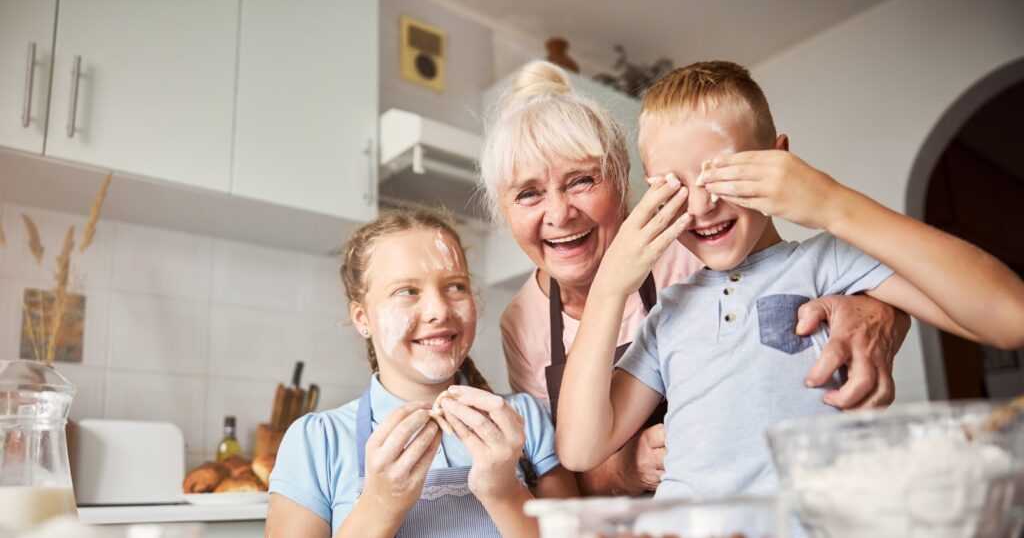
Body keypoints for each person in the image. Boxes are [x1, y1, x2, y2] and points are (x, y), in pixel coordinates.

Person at [555, 61, 1024, 502]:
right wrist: (611, 287)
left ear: (779, 159)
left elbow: (1010, 317)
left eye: (723, 174)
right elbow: (579, 448)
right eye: (673, 186)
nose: (700, 207)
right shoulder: (670, 313)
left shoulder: (828, 262)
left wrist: (831, 203)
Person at [477, 60, 910, 495]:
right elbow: (559, 464)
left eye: (582, 181)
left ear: (627, 184)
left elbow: (789, 283)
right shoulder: (522, 321)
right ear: (503, 210)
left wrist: (877, 305)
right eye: (528, 193)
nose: (559, 214)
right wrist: (626, 469)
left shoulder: (693, 249)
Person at [265, 209, 578, 537]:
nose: (439, 310)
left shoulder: (523, 419)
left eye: (455, 286)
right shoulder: (317, 442)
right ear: (362, 318)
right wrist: (380, 504)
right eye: (407, 291)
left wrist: (505, 492)